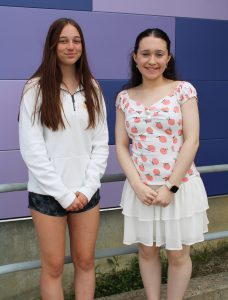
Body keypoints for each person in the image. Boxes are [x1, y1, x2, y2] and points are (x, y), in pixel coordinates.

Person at [115, 28, 209, 300]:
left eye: (159, 54)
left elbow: (192, 141)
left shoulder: (183, 90)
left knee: (178, 253)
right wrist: (136, 184)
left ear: (168, 58)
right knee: (147, 250)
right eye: (145, 54)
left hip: (178, 186)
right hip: (141, 190)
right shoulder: (124, 97)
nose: (152, 60)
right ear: (135, 57)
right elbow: (121, 144)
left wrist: (171, 187)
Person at [19, 18, 109, 300]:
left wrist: (86, 188)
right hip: (48, 194)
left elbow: (101, 144)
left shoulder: (93, 88)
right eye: (63, 40)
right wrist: (64, 195)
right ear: (52, 45)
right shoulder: (34, 89)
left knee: (84, 261)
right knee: (54, 267)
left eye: (76, 40)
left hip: (86, 192)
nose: (71, 46)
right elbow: (32, 150)